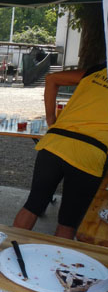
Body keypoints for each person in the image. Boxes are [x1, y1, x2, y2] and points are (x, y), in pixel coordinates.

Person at [13, 62, 108, 239]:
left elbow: (52, 78)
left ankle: (8, 250)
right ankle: (56, 265)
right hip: (89, 153)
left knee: (32, 206)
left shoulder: (98, 70)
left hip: (54, 144)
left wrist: (51, 120)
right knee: (68, 222)